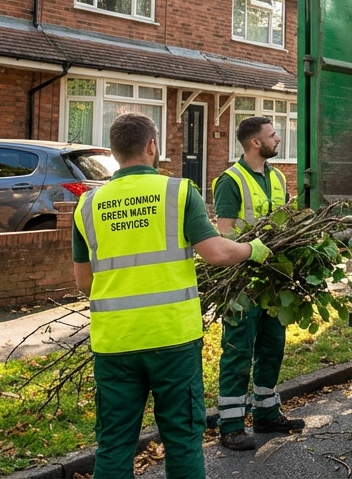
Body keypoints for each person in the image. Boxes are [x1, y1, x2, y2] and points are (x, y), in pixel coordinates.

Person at [73, 112, 271, 479]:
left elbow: (84, 283)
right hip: (172, 340)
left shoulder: (87, 205)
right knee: (181, 441)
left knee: (114, 445)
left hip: (115, 342)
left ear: (115, 153)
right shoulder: (178, 192)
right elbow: (215, 252)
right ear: (152, 146)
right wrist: (252, 250)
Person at [211, 116, 305, 450]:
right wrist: (249, 251)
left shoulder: (278, 177)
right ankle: (231, 425)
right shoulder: (230, 181)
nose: (278, 139)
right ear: (255, 142)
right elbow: (224, 233)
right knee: (238, 350)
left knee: (272, 346)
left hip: (272, 280)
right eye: (273, 134)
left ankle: (266, 414)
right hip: (242, 282)